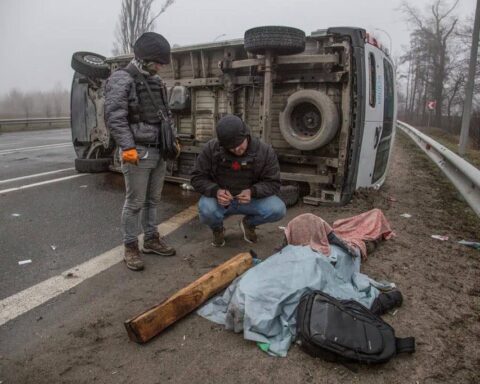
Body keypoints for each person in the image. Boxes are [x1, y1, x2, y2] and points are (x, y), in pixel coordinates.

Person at [105, 32, 175, 271]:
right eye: (157, 62)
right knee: (135, 202)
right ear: (144, 58)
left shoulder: (156, 82)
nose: (160, 67)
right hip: (138, 152)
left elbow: (165, 114)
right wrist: (128, 147)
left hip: (159, 150)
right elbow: (115, 118)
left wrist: (171, 140)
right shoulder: (122, 79)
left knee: (152, 200)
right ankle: (130, 246)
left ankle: (152, 239)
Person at [191, 114, 286, 246]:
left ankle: (249, 224)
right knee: (206, 209)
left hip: (251, 200)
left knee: (277, 209)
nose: (236, 149)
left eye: (239, 144)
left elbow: (274, 183)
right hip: (221, 202)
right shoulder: (211, 149)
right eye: (231, 147)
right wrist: (215, 191)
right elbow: (197, 177)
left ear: (246, 135)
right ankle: (217, 229)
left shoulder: (264, 151)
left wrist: (253, 191)